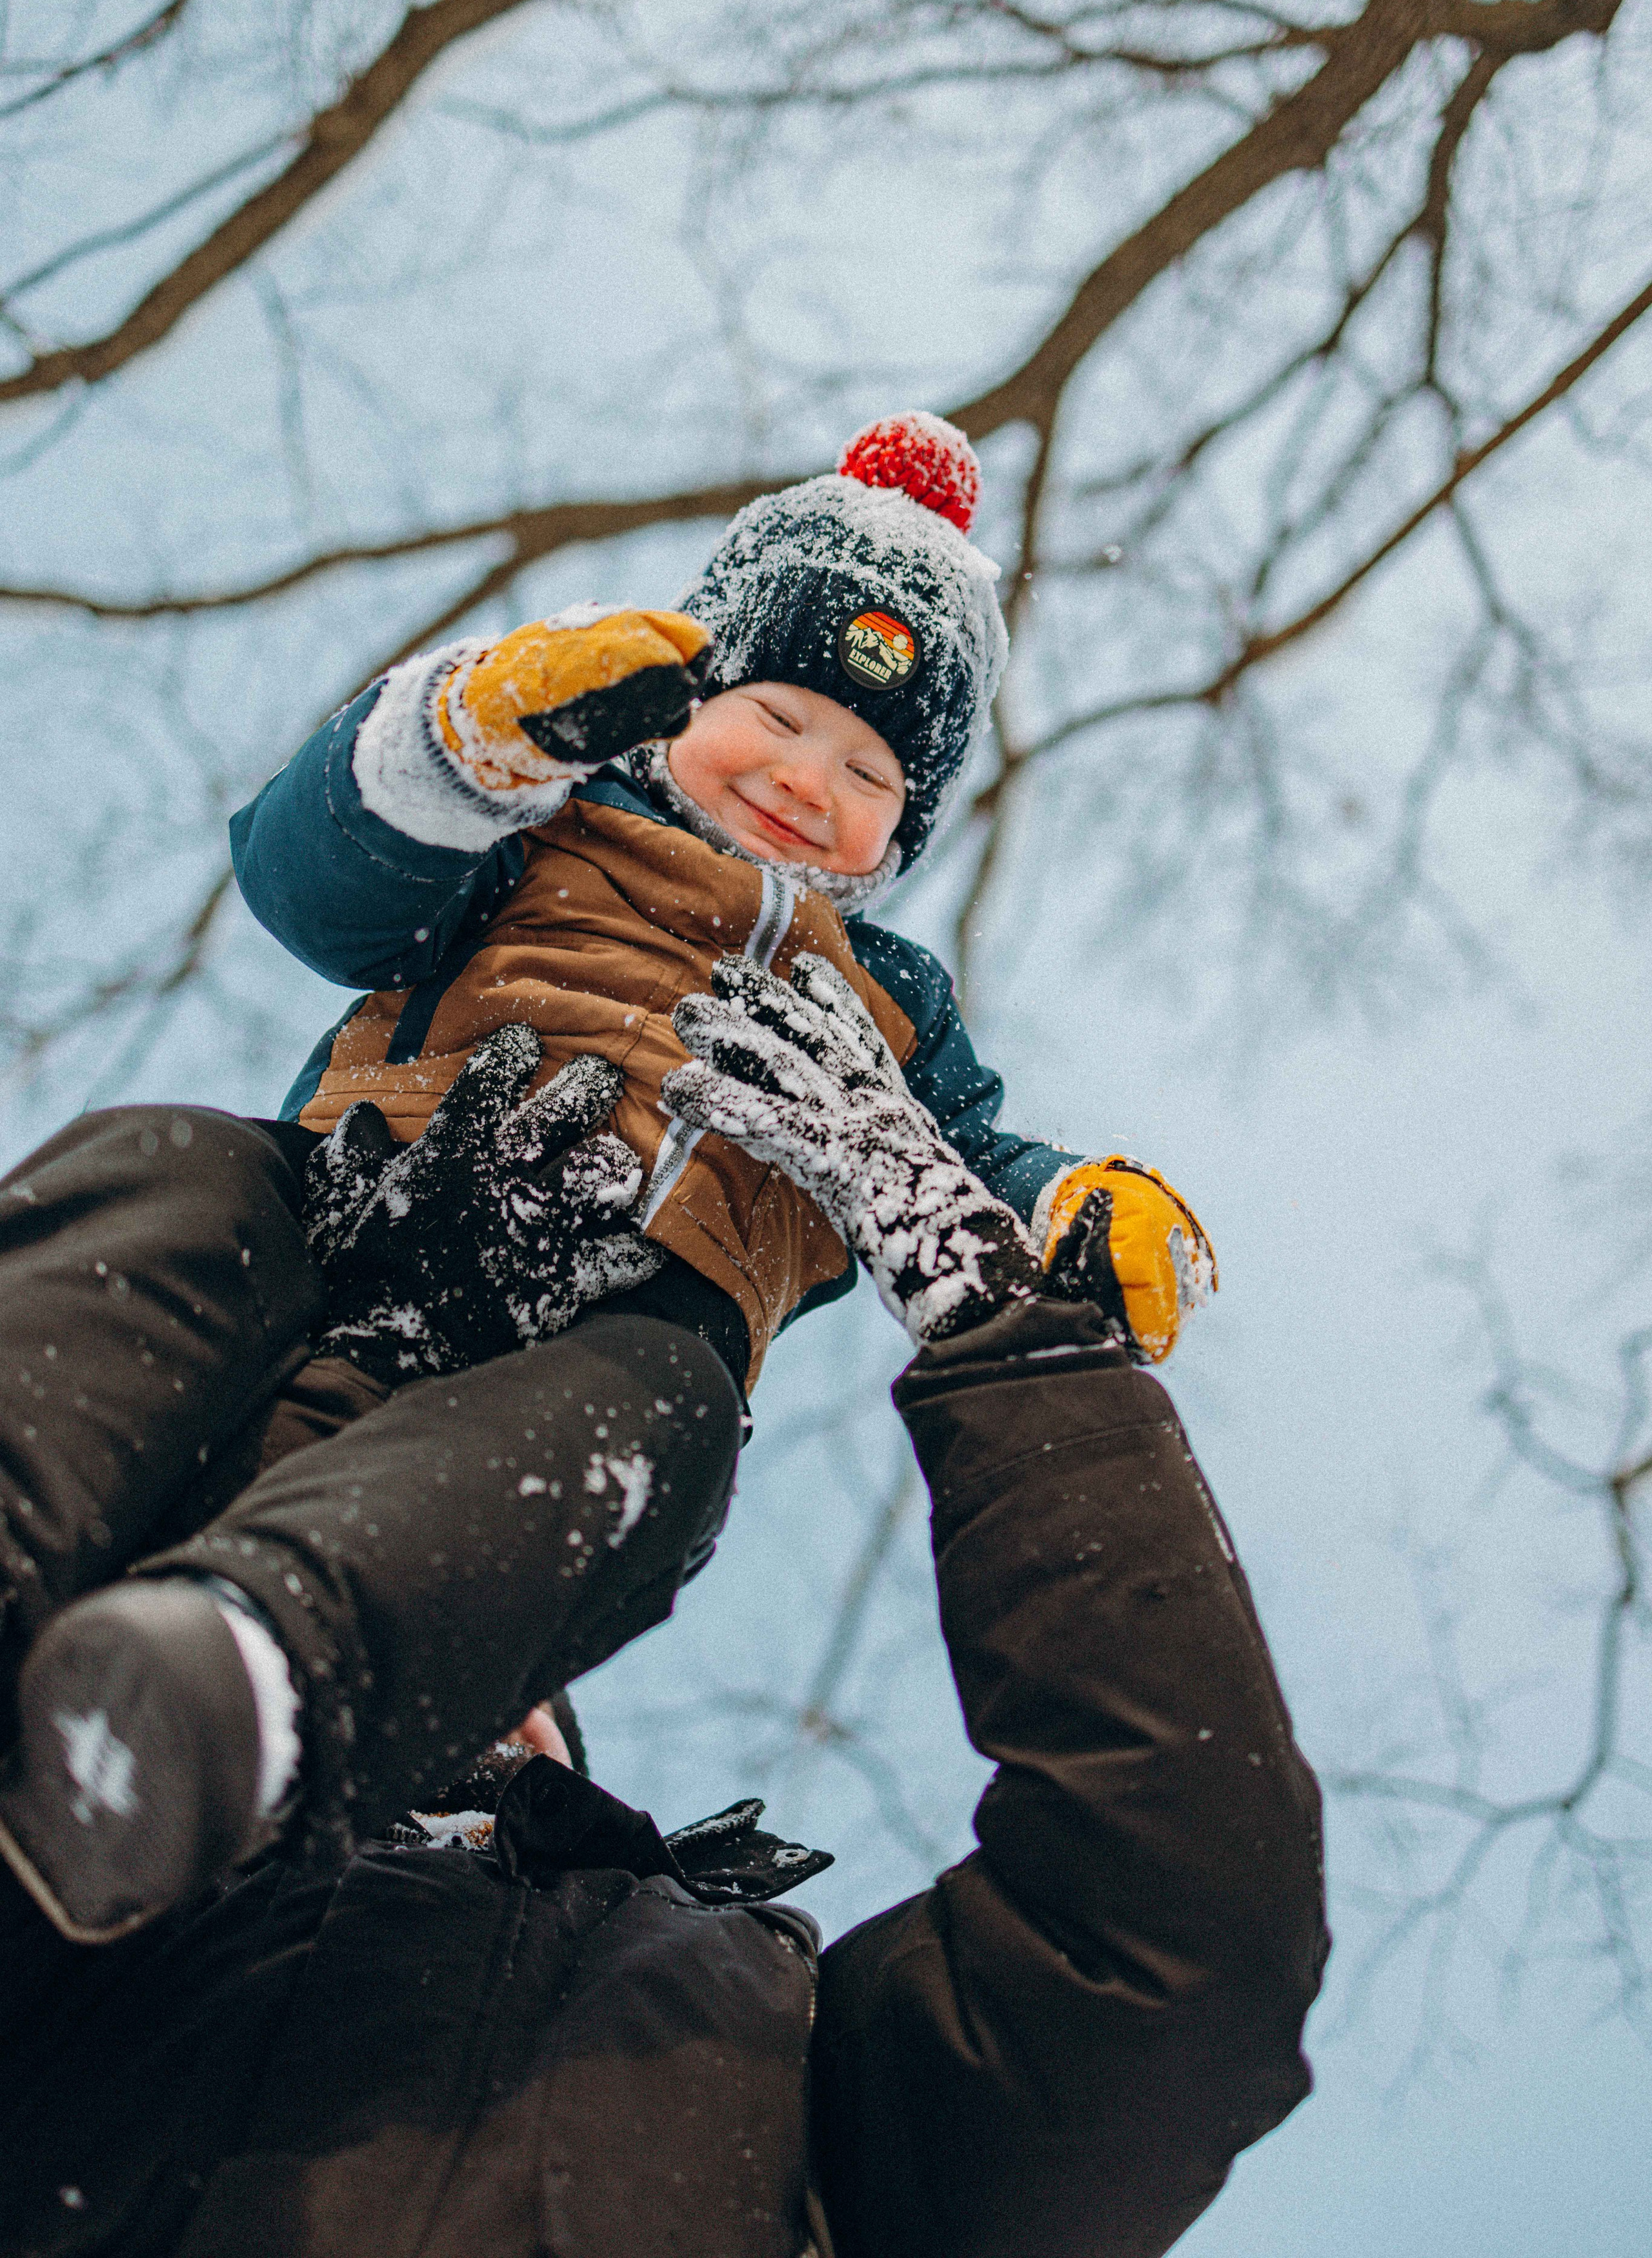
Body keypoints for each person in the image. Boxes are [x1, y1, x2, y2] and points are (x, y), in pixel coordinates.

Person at [0, 411, 1216, 1944]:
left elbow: (972, 1152)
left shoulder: (889, 1003)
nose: (803, 777)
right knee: (173, 1177)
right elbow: (312, 881)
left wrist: (1068, 1215)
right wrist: (469, 738)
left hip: (625, 1319)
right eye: (774, 715)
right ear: (683, 695)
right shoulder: (554, 819)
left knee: (655, 1436)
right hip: (364, 1191)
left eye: (866, 770)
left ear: (904, 827)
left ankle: (253, 1671)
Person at [0, 963, 1327, 2258]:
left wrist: (999, 1323)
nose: (492, 1704)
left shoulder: (801, 2078)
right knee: (198, 1173)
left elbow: (1174, 1940)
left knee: (666, 1403)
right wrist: (373, 1365)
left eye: (502, 1667)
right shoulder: (109, 1855)